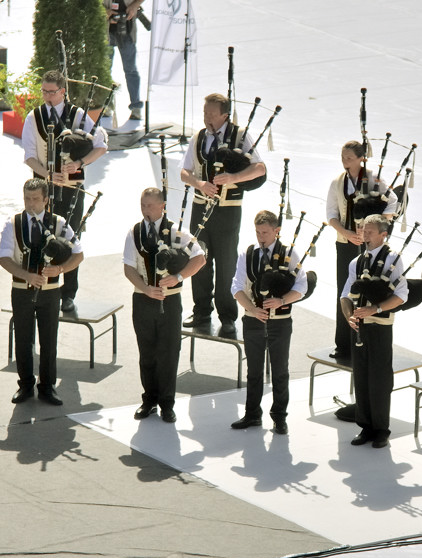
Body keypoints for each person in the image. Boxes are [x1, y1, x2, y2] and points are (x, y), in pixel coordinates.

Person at [21, 70, 107, 313]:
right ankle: (42, 286)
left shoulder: (77, 115)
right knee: (41, 234)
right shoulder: (34, 117)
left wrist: (80, 163)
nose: (47, 96)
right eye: (44, 91)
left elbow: (101, 145)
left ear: (62, 92)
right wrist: (47, 175)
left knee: (70, 236)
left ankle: (68, 292)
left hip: (71, 188)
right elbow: (29, 156)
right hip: (43, 189)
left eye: (52, 92)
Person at [180, 93, 266, 337]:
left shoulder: (240, 135)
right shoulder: (199, 137)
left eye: (211, 113)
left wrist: (234, 177)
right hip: (200, 206)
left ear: (225, 115)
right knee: (199, 259)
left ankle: (227, 317)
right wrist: (199, 183)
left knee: (226, 263)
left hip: (228, 209)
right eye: (205, 112)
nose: (206, 117)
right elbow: (184, 172)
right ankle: (201, 312)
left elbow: (259, 168)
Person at [0, 178, 84, 405]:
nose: (30, 204)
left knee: (49, 340)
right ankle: (25, 385)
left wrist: (60, 269)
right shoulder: (13, 223)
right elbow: (4, 257)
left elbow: (78, 254)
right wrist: (26, 275)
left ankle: (47, 386)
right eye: (27, 198)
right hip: (21, 290)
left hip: (50, 291)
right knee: (23, 338)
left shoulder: (59, 222)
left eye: (36, 199)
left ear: (46, 199)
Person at [124, 187, 205, 424]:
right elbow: (128, 268)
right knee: (147, 352)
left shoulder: (176, 232)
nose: (145, 210)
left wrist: (178, 277)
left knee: (169, 353)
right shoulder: (135, 232)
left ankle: (167, 404)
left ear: (162, 206)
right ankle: (149, 400)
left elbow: (200, 258)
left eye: (150, 205)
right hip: (143, 299)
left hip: (170, 301)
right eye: (143, 205)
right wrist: (146, 288)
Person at [230, 210, 308, 435]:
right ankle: (252, 414)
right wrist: (252, 309)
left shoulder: (289, 253)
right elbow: (236, 286)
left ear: (276, 231)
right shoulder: (248, 253)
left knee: (280, 371)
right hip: (253, 320)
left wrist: (282, 300)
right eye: (257, 232)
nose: (260, 237)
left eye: (265, 232)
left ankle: (279, 417)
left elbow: (302, 286)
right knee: (254, 370)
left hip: (280, 322)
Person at [325, 140, 397, 360]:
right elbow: (331, 214)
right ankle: (343, 344)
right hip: (345, 243)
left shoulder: (373, 180)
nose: (345, 162)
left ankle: (365, 341)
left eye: (349, 158)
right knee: (345, 291)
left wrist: (377, 225)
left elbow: (393, 201)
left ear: (361, 158)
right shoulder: (337, 182)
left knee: (367, 290)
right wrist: (347, 233)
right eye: (343, 157)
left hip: (369, 246)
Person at [339, 214, 407, 448]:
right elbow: (345, 295)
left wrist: (375, 309)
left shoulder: (393, 259)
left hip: (380, 327)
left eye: (369, 231)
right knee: (361, 377)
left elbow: (401, 295)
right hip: (359, 326)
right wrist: (349, 316)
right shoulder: (356, 262)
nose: (364, 235)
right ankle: (366, 426)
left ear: (383, 234)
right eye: (362, 230)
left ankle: (381, 429)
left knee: (379, 378)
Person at [105, 0, 145, 121]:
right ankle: (107, 105)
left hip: (127, 28)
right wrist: (105, 12)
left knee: (130, 69)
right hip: (106, 29)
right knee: (105, 70)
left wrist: (134, 5)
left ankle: (136, 106)